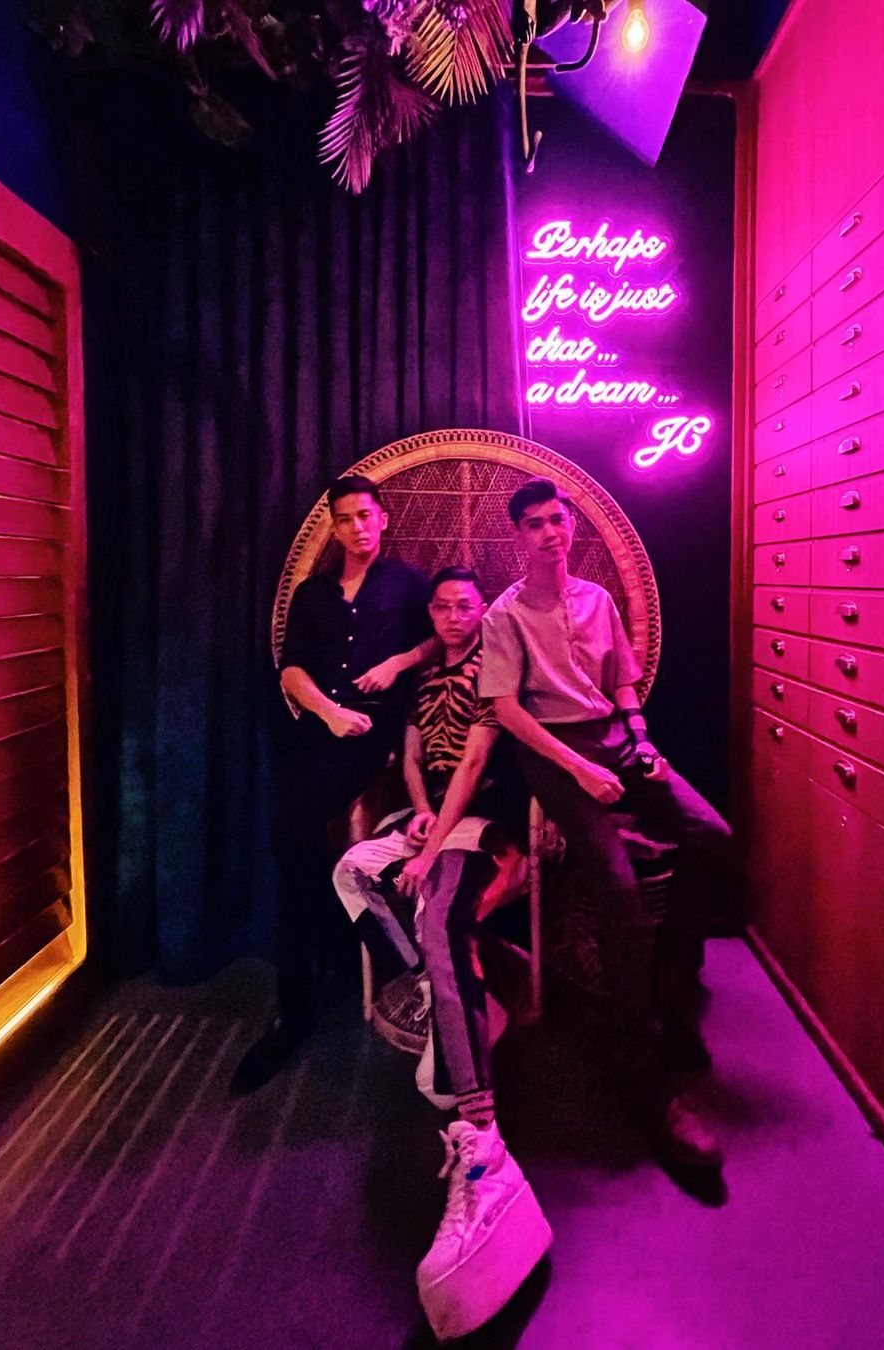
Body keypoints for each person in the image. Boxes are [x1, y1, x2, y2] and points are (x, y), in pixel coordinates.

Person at [479, 476, 732, 1173]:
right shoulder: (504, 615)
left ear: (571, 525)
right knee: (618, 890)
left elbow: (623, 683)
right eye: (535, 524)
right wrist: (580, 768)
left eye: (557, 520)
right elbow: (506, 710)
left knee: (712, 838)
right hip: (553, 754)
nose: (550, 532)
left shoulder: (597, 599)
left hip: (617, 741)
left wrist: (642, 741)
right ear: (518, 537)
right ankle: (645, 1077)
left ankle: (673, 988)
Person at [332, 566, 550, 1343]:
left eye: (466, 604)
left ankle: (482, 1131)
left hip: (483, 825)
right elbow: (416, 755)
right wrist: (420, 817)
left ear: (481, 610)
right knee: (353, 871)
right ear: (430, 613)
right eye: (443, 605)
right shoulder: (425, 677)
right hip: (433, 819)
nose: (455, 615)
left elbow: (475, 764)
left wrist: (437, 844)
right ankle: (430, 986)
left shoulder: (496, 665)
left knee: (440, 918)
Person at [232, 475, 436, 1095]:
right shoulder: (313, 592)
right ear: (334, 527)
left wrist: (398, 662)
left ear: (383, 518)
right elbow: (290, 670)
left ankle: (297, 1005)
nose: (357, 527)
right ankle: (323, 966)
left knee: (291, 831)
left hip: (373, 732)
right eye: (345, 519)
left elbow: (445, 635)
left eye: (366, 515)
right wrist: (327, 712)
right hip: (321, 725)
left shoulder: (408, 584)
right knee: (289, 838)